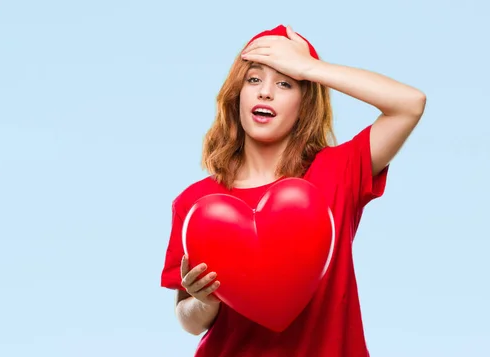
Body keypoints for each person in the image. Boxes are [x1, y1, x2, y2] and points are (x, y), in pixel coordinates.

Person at [160, 24, 426, 357]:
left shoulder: (338, 171)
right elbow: (190, 321)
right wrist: (203, 301)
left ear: (305, 103)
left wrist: (311, 69)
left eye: (285, 83)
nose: (265, 92)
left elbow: (410, 104)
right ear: (236, 94)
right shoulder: (199, 202)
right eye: (253, 79)